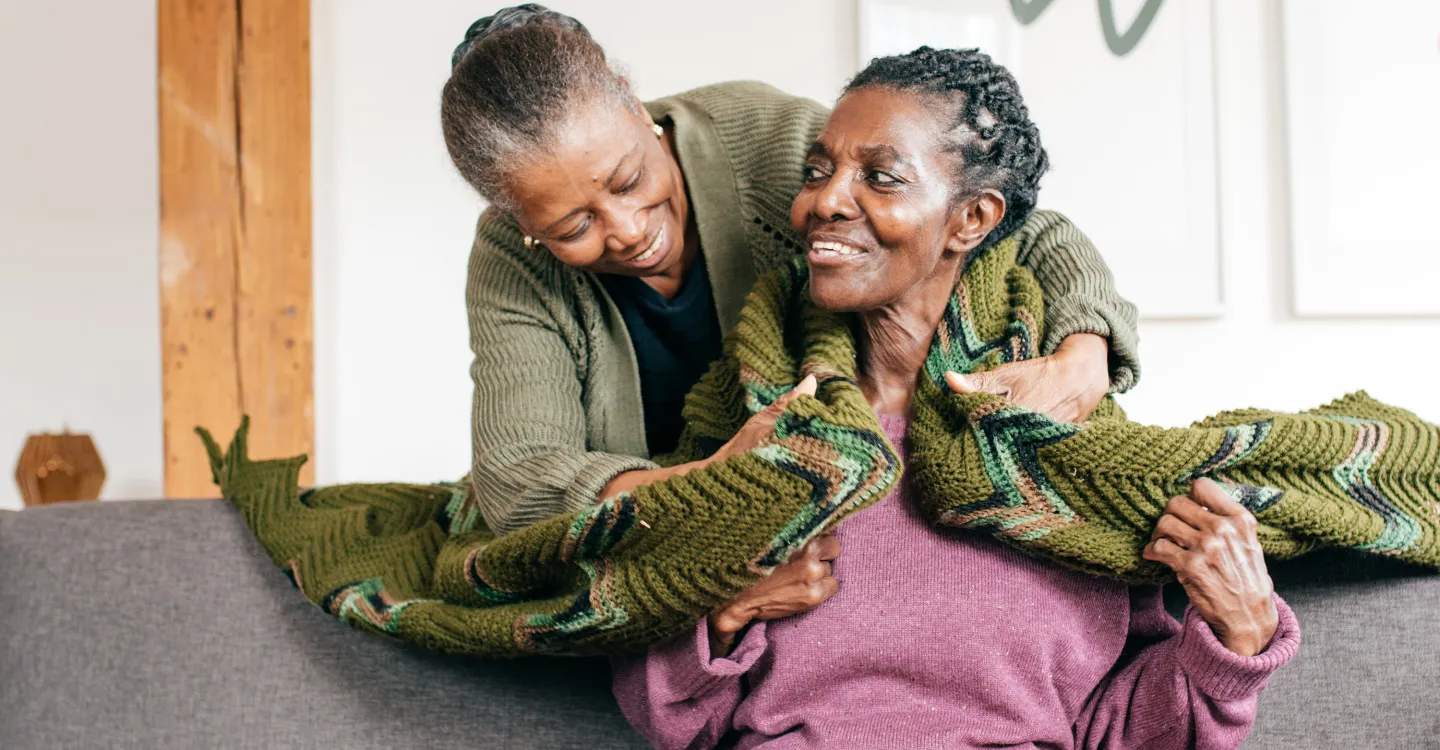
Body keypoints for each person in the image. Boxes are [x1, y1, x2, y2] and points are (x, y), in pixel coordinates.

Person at [609, 47, 1299, 749]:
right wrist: (726, 612)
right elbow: (667, 713)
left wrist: (1242, 636)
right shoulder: (748, 434)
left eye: (879, 176)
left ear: (972, 219)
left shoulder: (1066, 456)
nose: (824, 201)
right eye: (817, 172)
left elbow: (1129, 734)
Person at [440, 5, 1141, 536]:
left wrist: (1087, 354)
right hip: (664, 536)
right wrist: (714, 483)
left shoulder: (765, 139)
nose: (626, 231)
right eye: (574, 227)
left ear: (635, 103)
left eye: (628, 180)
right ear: (521, 221)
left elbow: (1014, 221)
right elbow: (520, 481)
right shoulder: (511, 260)